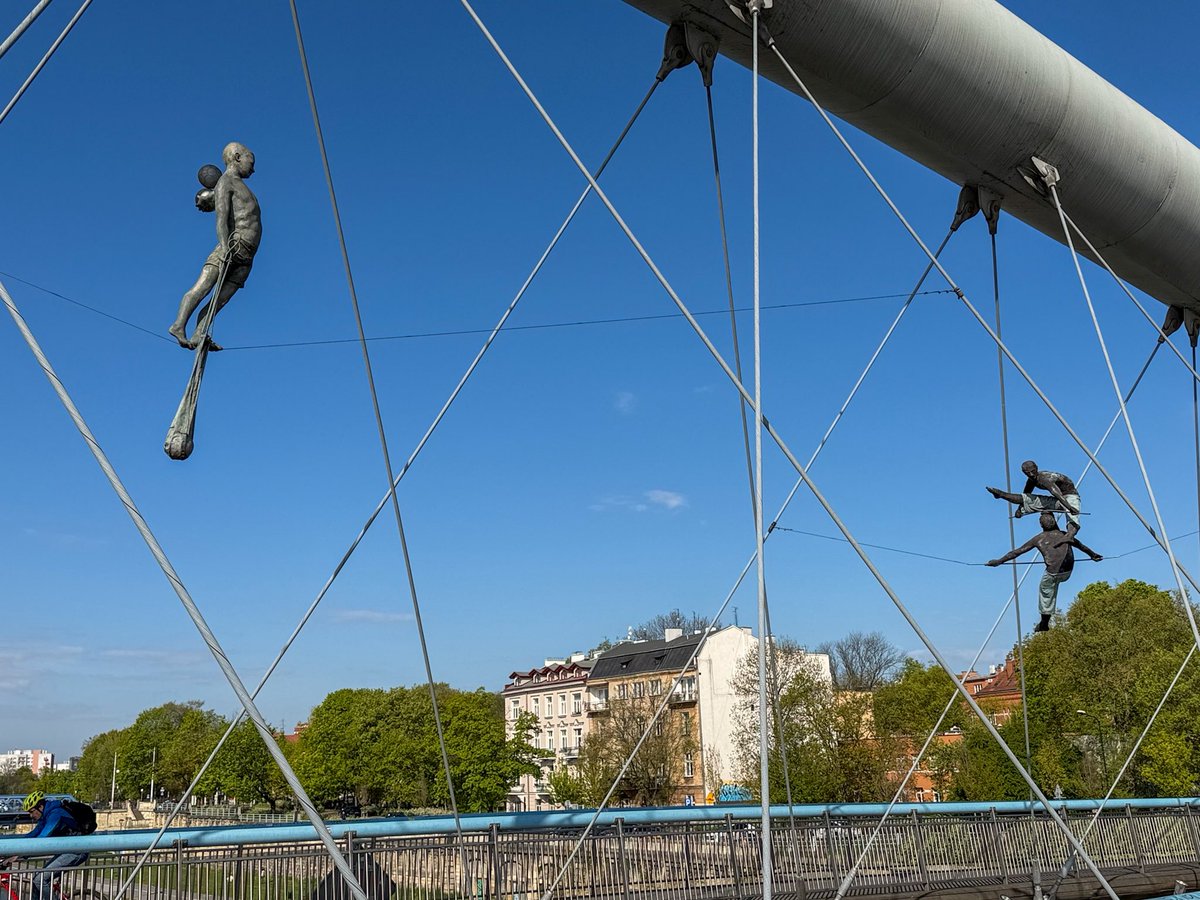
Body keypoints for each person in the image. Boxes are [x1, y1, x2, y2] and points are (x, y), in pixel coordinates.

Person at [168, 142, 262, 351]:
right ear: (238, 157)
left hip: (247, 256)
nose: (253, 168)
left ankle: (200, 332)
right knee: (202, 288)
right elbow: (221, 218)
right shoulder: (226, 182)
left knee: (220, 300)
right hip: (231, 247)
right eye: (250, 162)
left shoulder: (243, 187)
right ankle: (178, 325)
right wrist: (224, 246)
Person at [986, 512, 1103, 632]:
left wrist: (999, 561)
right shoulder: (1065, 535)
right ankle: (1045, 620)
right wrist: (1093, 555)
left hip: (1053, 574)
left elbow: (1017, 552)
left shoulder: (1038, 538)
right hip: (1067, 572)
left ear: (1041, 525)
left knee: (1045, 592)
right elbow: (1082, 546)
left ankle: (1044, 623)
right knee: (1051, 586)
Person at [1, 792, 88, 900]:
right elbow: (32, 835)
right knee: (37, 879)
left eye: (32, 811)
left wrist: (18, 856)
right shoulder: (45, 816)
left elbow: (41, 840)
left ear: (40, 806)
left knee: (40, 879)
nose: (31, 816)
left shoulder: (56, 814)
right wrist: (11, 850)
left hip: (76, 851)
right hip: (67, 850)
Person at [986, 459, 1082, 541]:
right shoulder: (1031, 480)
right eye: (1028, 473)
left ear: (1036, 468)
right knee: (1027, 499)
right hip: (1056, 500)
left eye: (1033, 471)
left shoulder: (1045, 478)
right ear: (1024, 473)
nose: (1031, 474)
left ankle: (1070, 534)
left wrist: (1070, 507)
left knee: (1071, 515)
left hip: (1069, 496)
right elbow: (1025, 497)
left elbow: (1057, 494)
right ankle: (1002, 494)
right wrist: (1019, 510)